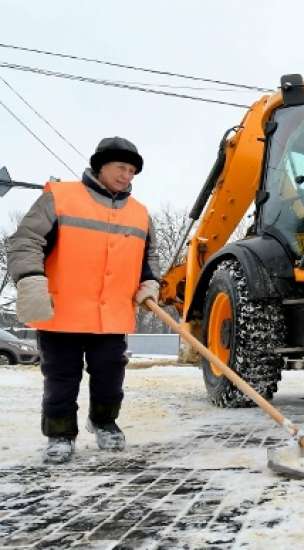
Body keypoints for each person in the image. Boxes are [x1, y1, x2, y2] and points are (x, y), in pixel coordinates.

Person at [7, 137, 160, 464]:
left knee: (110, 374)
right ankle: (60, 434)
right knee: (62, 377)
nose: (126, 176)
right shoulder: (60, 197)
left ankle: (104, 422)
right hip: (63, 311)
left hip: (112, 314)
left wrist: (150, 282)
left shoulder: (140, 214)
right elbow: (25, 240)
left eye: (132, 171)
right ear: (100, 165)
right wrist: (30, 278)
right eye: (121, 167)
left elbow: (150, 257)